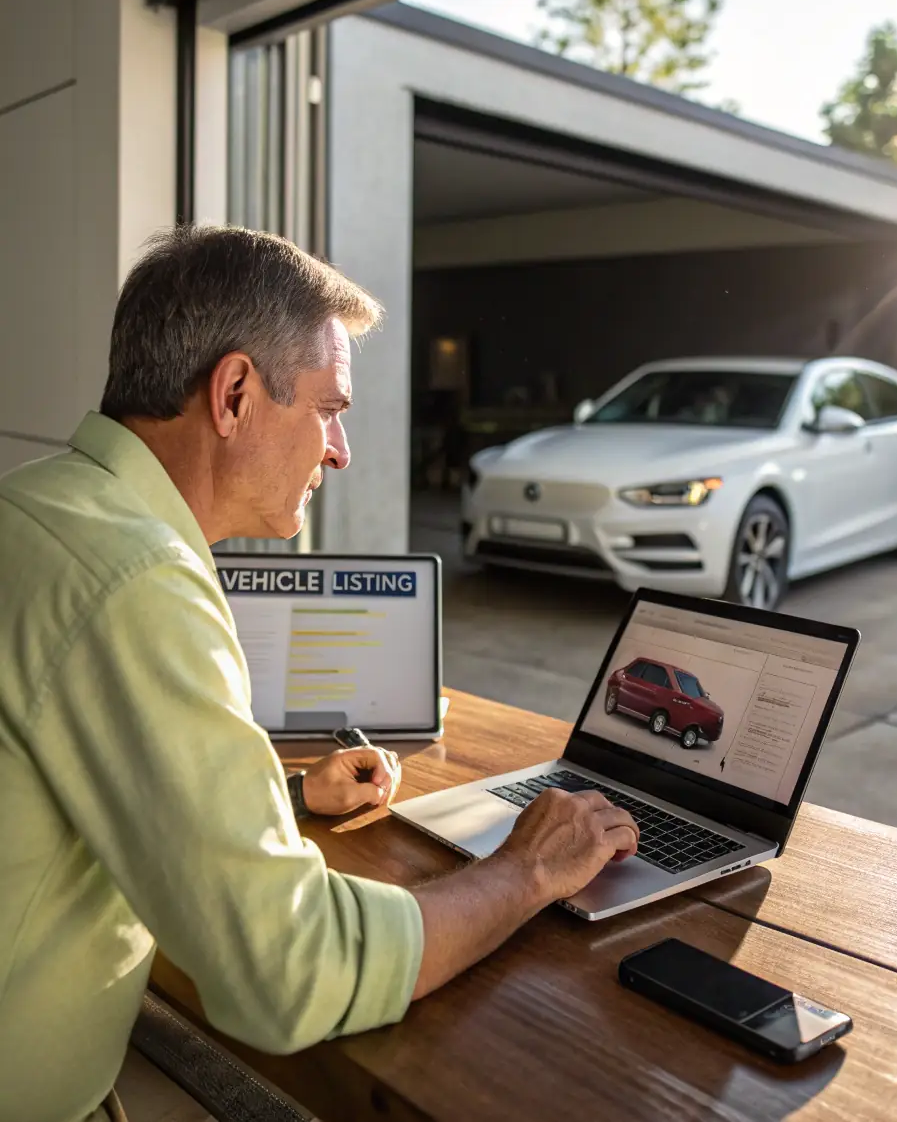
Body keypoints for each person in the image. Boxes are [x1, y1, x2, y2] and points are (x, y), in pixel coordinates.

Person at [0, 227, 639, 1122]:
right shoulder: (136, 579)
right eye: (328, 408)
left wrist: (290, 800)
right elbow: (286, 970)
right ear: (232, 395)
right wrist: (528, 868)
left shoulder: (36, 505)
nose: (339, 450)